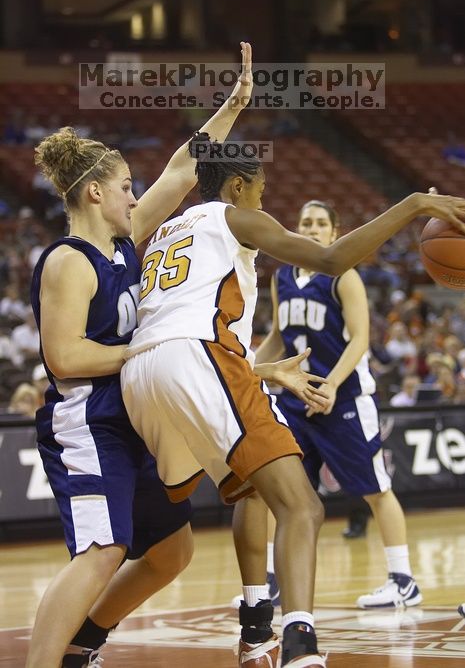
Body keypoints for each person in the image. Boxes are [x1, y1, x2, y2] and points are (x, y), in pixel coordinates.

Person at [121, 136, 465, 667]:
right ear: (238, 186)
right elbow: (331, 259)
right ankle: (301, 646)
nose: (264, 199)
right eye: (260, 188)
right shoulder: (237, 218)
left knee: (251, 490)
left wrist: (259, 369)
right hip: (197, 357)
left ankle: (255, 624)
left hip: (141, 375)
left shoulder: (167, 228)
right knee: (303, 506)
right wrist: (414, 204)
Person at [26, 42, 259, 668]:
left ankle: (83, 646)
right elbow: (67, 358)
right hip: (87, 420)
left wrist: (233, 107)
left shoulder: (125, 244)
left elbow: (183, 171)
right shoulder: (70, 261)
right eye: (126, 187)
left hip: (130, 417)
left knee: (171, 553)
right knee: (103, 549)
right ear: (97, 192)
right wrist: (146, 349)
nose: (136, 196)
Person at [234, 199, 424, 614]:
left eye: (321, 223)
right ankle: (271, 580)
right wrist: (248, 369)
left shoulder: (344, 276)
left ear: (335, 233)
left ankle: (403, 580)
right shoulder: (283, 276)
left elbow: (360, 339)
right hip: (295, 400)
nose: (313, 228)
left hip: (344, 399)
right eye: (306, 222)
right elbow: (280, 339)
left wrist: (333, 385)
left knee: (376, 489)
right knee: (276, 491)